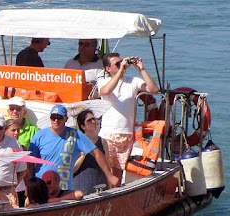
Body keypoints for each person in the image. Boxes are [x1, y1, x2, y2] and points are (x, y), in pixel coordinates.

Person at [98, 52, 160, 181]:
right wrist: (120, 71)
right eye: (117, 64)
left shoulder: (133, 81)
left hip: (126, 134)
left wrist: (141, 69)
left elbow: (154, 89)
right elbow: (106, 91)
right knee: (106, 172)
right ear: (108, 68)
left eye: (121, 62)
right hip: (108, 133)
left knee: (118, 173)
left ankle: (114, 197)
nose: (121, 65)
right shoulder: (103, 81)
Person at [28, 105, 118, 191]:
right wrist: (30, 183)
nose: (56, 120)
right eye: (53, 117)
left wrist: (110, 176)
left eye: (59, 118)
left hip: (63, 188)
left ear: (65, 119)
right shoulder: (39, 135)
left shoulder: (75, 135)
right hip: (41, 186)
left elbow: (96, 152)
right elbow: (30, 160)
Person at [73, 109, 109, 195]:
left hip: (101, 185)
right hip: (82, 187)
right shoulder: (76, 143)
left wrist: (110, 187)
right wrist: (82, 157)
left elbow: (108, 165)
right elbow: (72, 169)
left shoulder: (102, 141)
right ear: (83, 126)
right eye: (89, 120)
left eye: (94, 119)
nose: (93, 122)